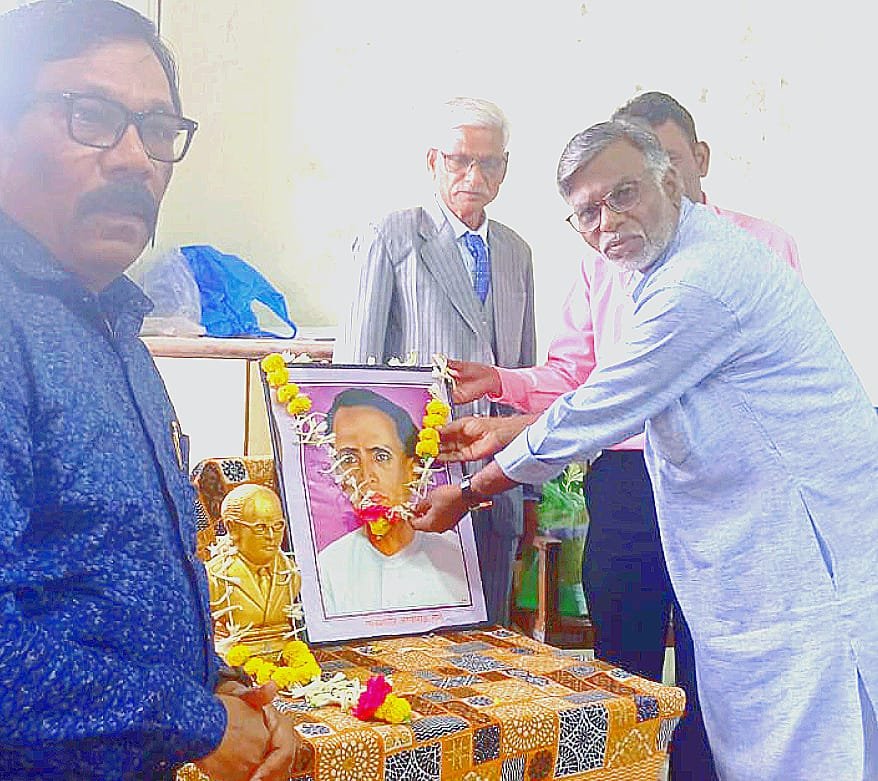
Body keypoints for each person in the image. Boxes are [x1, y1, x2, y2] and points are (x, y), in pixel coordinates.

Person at [413, 119, 878, 781]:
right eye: (588, 213)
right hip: (749, 551)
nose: (609, 222)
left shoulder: (698, 279)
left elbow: (608, 403)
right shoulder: (654, 266)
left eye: (624, 194)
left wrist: (469, 490)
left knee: (812, 746)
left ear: (670, 181)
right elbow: (608, 390)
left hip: (801, 555)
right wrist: (509, 428)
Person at [0, 2, 295, 779]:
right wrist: (194, 719)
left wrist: (220, 682)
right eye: (93, 116)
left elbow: (108, 575)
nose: (136, 158)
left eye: (158, 129)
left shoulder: (114, 326)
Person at [333, 96, 537, 625]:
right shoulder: (391, 236)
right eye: (459, 160)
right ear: (433, 162)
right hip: (416, 485)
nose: (474, 176)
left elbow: (525, 374)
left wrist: (529, 490)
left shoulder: (516, 252)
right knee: (413, 643)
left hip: (496, 484)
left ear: (505, 168)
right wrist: (361, 488)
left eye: (488, 163)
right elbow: (353, 373)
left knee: (491, 641)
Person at [317, 389, 470, 615]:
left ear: (413, 469)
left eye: (381, 456)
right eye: (348, 459)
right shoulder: (328, 567)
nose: (366, 475)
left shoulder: (457, 556)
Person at [207, 484, 301, 654]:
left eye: (278, 526)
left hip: (285, 652)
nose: (271, 536)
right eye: (260, 527)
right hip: (235, 657)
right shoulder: (215, 578)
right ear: (232, 528)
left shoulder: (290, 572)